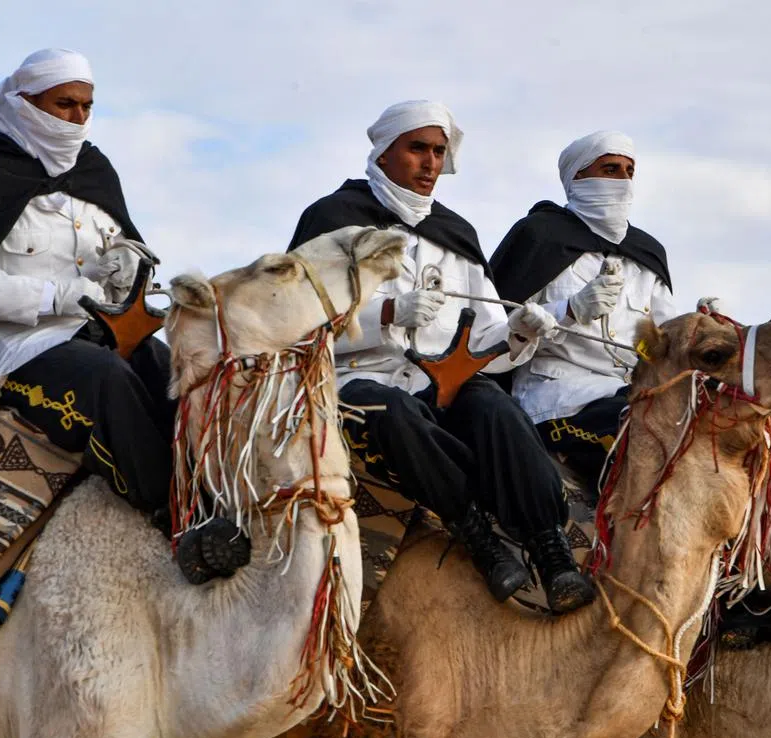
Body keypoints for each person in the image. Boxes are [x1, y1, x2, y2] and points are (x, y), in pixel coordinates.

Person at [0, 48, 238, 594]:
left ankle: (220, 496)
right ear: (25, 103)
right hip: (7, 347)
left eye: (87, 106)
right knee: (104, 378)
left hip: (94, 331)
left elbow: (124, 263)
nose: (77, 118)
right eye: (64, 104)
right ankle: (173, 518)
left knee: (177, 367)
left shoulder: (94, 170)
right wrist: (58, 295)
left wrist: (126, 267)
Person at [288, 100, 595, 613]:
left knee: (499, 413)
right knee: (392, 412)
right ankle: (475, 533)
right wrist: (386, 314)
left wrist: (518, 333)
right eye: (417, 149)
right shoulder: (333, 220)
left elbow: (485, 335)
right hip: (358, 378)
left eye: (438, 151)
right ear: (385, 153)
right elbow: (297, 321)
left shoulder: (456, 235)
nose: (430, 162)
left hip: (444, 383)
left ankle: (552, 552)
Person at [490, 131, 674, 491]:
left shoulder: (647, 254)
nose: (621, 181)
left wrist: (705, 329)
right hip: (559, 397)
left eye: (628, 171)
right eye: (609, 169)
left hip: (632, 389)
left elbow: (667, 341)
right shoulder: (539, 237)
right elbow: (494, 335)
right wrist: (571, 310)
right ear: (578, 178)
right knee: (643, 431)